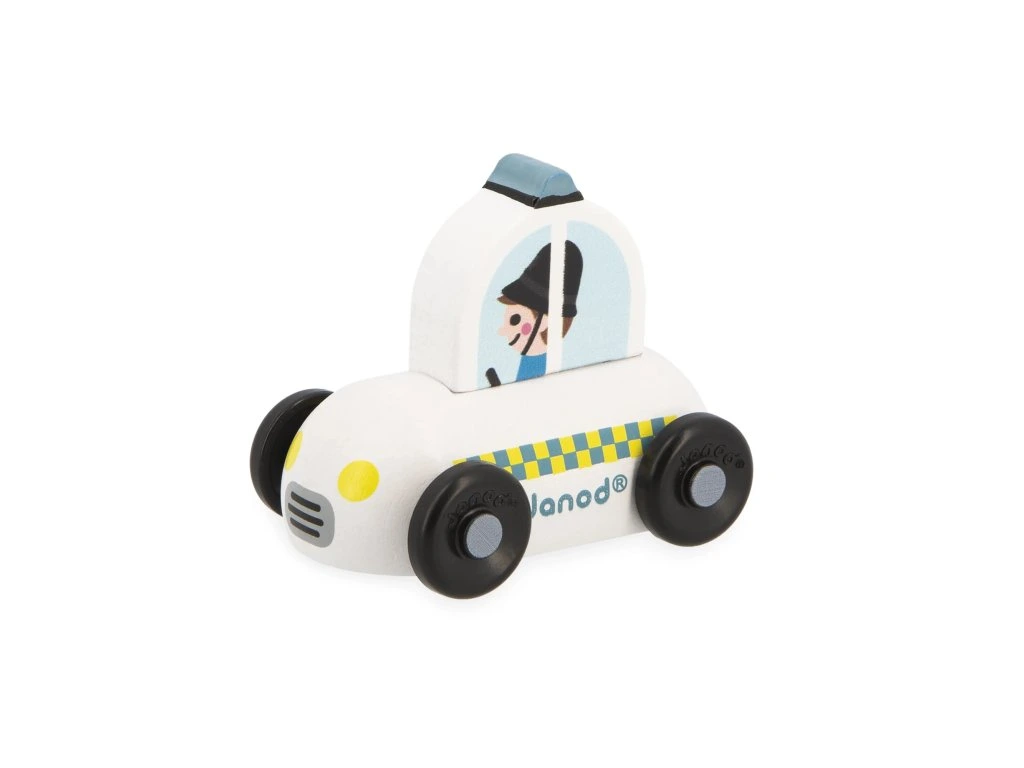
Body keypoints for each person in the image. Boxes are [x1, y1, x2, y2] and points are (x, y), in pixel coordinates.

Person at [496, 241, 583, 382]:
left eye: (515, 320)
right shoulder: (529, 361)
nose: (502, 331)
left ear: (544, 322)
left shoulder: (539, 367)